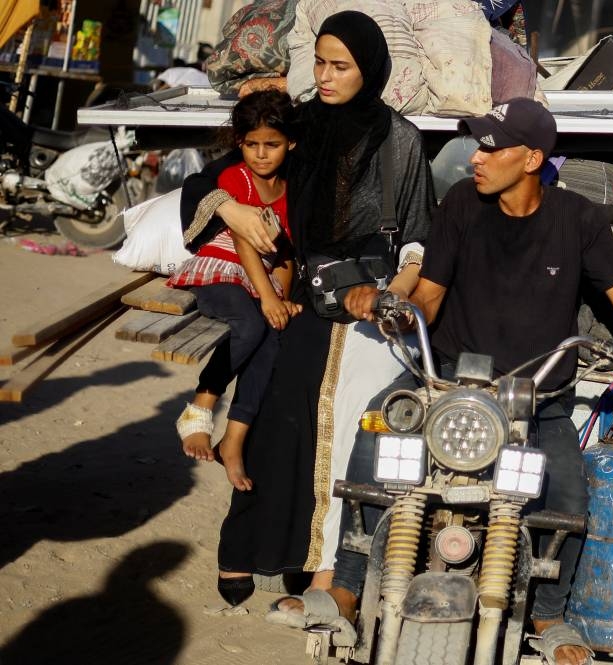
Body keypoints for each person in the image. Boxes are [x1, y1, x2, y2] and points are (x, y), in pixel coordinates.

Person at [269, 97, 613, 665]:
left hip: (537, 399)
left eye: (491, 146)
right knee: (376, 433)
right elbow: (429, 295)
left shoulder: (577, 220)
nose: (476, 157)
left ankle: (550, 616)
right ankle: (347, 589)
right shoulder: (460, 203)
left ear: (531, 158)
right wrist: (393, 309)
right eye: (477, 144)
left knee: (570, 497)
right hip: (448, 388)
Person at [179, 11, 434, 608]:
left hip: (371, 305)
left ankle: (325, 576)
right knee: (278, 423)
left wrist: (391, 294)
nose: (323, 75)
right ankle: (248, 552)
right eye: (318, 62)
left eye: (339, 65)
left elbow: (420, 236)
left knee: (347, 429)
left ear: (367, 68)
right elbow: (223, 177)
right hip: (301, 296)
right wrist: (232, 208)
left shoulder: (400, 139)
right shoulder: (300, 124)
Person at [169, 89, 300, 492]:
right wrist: (269, 298)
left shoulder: (293, 189)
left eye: (272, 145)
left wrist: (281, 295)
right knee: (249, 322)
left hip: (257, 277)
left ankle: (235, 439)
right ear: (239, 144)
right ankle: (201, 405)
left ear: (290, 143)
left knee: (272, 336)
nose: (261, 154)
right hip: (219, 272)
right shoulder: (234, 177)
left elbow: (286, 255)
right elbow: (244, 239)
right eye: (251, 144)